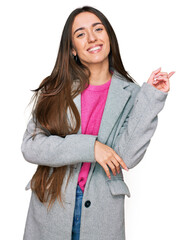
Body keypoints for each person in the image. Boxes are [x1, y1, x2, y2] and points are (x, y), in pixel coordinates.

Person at [21, 5, 175, 240]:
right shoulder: (56, 89)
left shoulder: (132, 94)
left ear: (109, 36)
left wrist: (151, 98)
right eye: (80, 34)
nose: (92, 38)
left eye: (98, 29)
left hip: (103, 213)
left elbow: (127, 156)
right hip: (52, 207)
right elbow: (31, 147)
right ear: (72, 49)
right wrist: (91, 147)